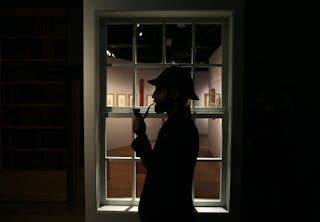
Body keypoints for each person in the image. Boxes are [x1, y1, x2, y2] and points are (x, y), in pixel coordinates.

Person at [131, 66, 200, 222]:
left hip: (167, 215)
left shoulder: (178, 129)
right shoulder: (179, 126)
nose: (154, 95)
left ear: (174, 94)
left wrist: (141, 136)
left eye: (159, 90)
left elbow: (156, 167)